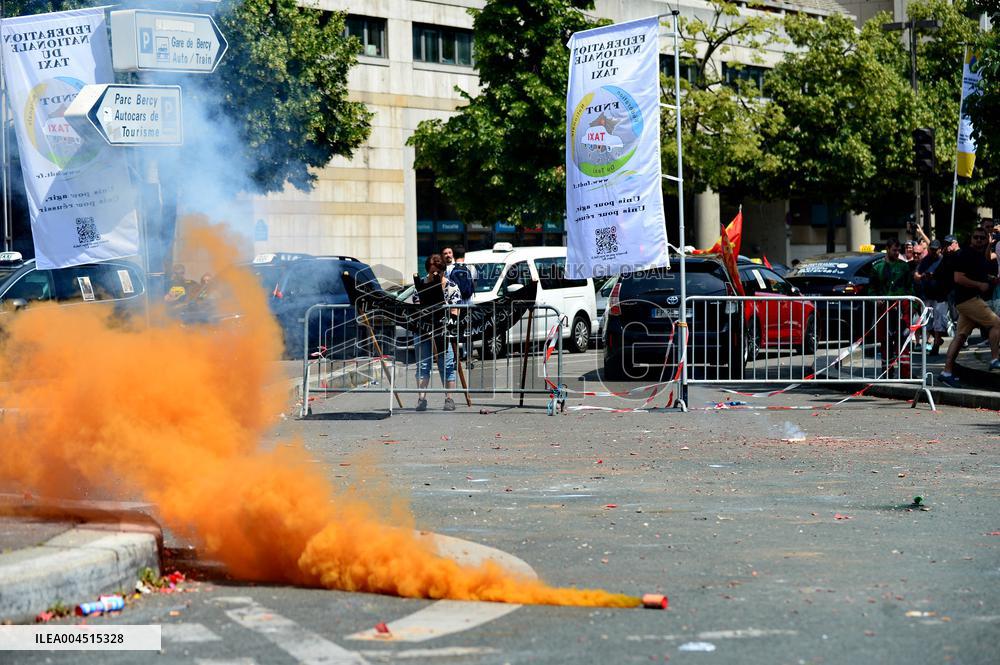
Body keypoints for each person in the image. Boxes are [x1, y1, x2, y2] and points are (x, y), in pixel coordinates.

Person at [939, 229, 1000, 387]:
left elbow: (977, 272)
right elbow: (958, 278)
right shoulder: (965, 254)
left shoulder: (978, 254)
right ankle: (994, 360)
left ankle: (946, 372)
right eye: (976, 237)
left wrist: (989, 279)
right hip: (968, 300)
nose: (979, 240)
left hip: (968, 300)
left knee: (960, 337)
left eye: (982, 238)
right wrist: (980, 284)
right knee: (996, 323)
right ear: (970, 238)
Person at [414, 254, 462, 411]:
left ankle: (449, 398)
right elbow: (416, 307)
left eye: (438, 273)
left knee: (447, 363)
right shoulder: (420, 286)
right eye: (432, 273)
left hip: (444, 331)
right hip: (424, 330)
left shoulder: (451, 287)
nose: (435, 275)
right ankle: (421, 399)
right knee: (423, 364)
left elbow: (456, 311)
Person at [870, 238, 913, 376]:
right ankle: (887, 372)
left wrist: (914, 305)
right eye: (894, 250)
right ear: (887, 249)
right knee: (885, 341)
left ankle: (906, 373)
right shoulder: (877, 268)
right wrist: (876, 300)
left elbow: (910, 288)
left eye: (898, 250)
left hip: (902, 308)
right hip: (884, 310)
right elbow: (871, 289)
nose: (897, 253)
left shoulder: (904, 266)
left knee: (904, 340)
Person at [914, 240, 947, 354]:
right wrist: (923, 276)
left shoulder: (944, 260)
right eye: (931, 249)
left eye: (935, 249)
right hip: (927, 295)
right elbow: (916, 275)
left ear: (940, 249)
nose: (933, 251)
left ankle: (936, 345)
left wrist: (936, 276)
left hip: (941, 296)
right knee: (927, 323)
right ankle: (938, 340)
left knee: (939, 322)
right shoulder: (925, 260)